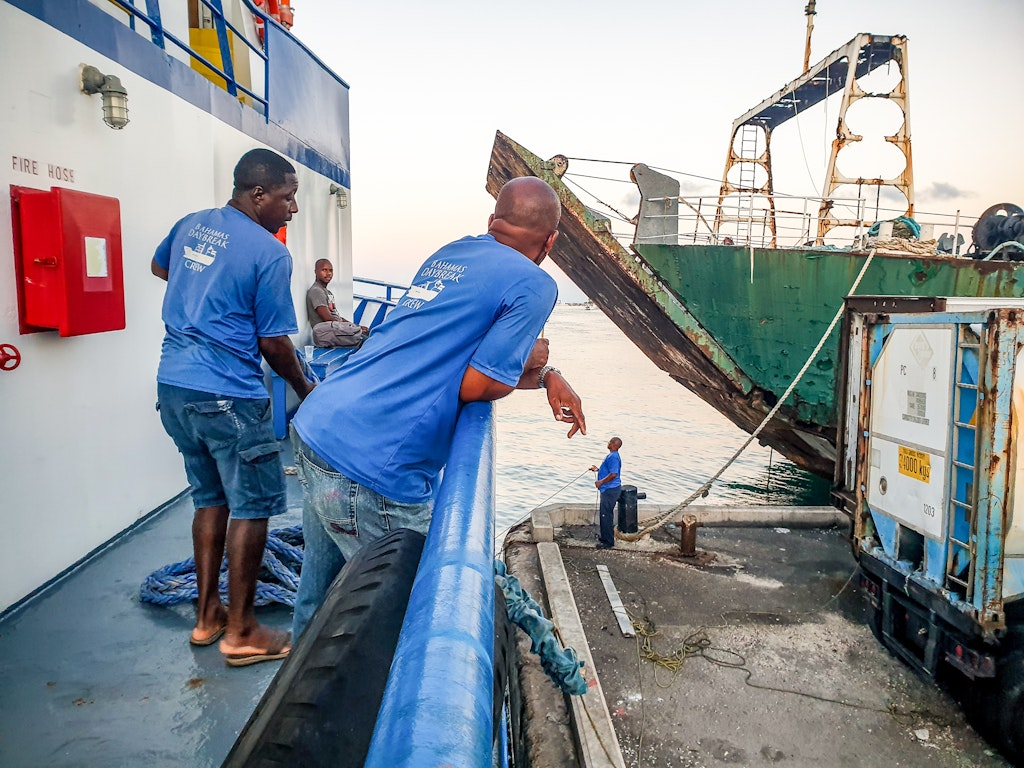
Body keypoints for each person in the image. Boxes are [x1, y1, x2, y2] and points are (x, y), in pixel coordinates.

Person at [289, 176, 587, 637]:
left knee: (320, 590)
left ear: (492, 222)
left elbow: (437, 349)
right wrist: (529, 357)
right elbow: (479, 382)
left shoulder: (451, 253)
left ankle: (294, 688)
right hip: (374, 460)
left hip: (318, 424)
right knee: (425, 608)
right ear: (550, 242)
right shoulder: (535, 284)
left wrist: (546, 375)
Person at [152, 148, 313, 666]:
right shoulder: (269, 253)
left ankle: (207, 618)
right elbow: (274, 344)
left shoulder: (191, 224)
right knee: (252, 505)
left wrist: (203, 293)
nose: (292, 210)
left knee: (208, 498)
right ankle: (242, 631)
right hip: (229, 396)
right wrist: (308, 391)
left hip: (174, 386)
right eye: (287, 198)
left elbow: (161, 267)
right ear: (258, 194)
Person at [305, 258, 368, 348]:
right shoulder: (316, 291)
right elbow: (327, 318)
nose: (328, 273)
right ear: (316, 272)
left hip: (336, 330)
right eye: (324, 270)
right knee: (367, 341)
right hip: (326, 333)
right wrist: (354, 329)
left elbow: (337, 318)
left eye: (331, 270)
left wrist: (355, 326)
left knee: (368, 335)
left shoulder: (327, 292)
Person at [590, 437, 623, 548]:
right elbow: (609, 471)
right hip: (608, 489)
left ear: (614, 444)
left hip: (610, 490)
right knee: (604, 514)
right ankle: (605, 537)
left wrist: (600, 482)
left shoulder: (613, 457)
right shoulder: (612, 456)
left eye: (610, 442)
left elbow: (614, 474)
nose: (608, 443)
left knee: (606, 515)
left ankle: (608, 542)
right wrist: (598, 470)